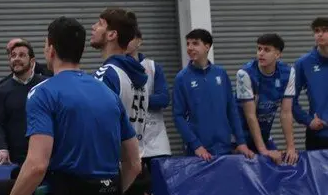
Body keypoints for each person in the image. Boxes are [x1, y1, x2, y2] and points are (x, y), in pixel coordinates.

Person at [0, 17, 142, 195]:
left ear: (50, 50)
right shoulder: (107, 93)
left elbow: (37, 165)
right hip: (109, 194)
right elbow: (134, 164)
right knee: (17, 177)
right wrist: (111, 194)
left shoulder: (42, 92)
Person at [172, 29, 254, 161]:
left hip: (225, 148)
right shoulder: (182, 78)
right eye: (188, 44)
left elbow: (231, 109)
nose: (190, 48)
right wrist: (196, 145)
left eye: (195, 43)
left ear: (207, 46)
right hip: (199, 153)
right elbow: (178, 116)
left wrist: (241, 142)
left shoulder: (220, 73)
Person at [90, 8, 152, 146]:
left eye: (100, 24)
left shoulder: (106, 74)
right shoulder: (140, 76)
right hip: (136, 159)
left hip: (109, 161)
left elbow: (96, 123)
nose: (93, 27)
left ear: (112, 34)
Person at [235, 33, 297, 165]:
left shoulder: (288, 72)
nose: (261, 53)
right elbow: (250, 116)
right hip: (239, 138)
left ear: (278, 54)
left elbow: (286, 113)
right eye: (259, 49)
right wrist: (263, 150)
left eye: (266, 50)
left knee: (281, 164)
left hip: (263, 134)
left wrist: (291, 146)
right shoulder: (244, 74)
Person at [0, 40, 47, 166]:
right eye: (13, 55)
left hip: (46, 156)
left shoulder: (46, 85)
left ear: (32, 61)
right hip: (15, 159)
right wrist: (2, 148)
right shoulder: (3, 90)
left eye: (21, 55)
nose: (16, 59)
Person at [126, 27, 172, 161]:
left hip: (157, 143)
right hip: (130, 144)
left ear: (139, 41)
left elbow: (163, 99)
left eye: (130, 38)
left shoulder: (152, 66)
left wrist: (134, 98)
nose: (127, 42)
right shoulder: (116, 68)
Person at [292, 17, 328, 151]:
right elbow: (290, 99)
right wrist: (308, 120)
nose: (319, 34)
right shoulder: (303, 63)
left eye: (325, 30)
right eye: (317, 31)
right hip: (318, 136)